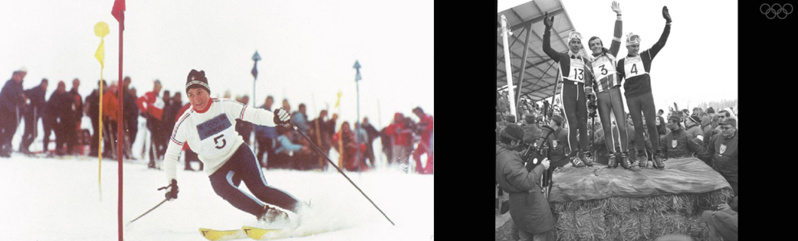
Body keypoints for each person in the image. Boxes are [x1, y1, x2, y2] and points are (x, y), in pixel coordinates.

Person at [161, 69, 306, 226]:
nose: (196, 99)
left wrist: (275, 118)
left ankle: (304, 210)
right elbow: (170, 155)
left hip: (238, 153)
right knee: (222, 189)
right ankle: (268, 214)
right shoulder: (185, 123)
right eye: (191, 94)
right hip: (216, 167)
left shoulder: (224, 105)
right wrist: (172, 182)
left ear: (207, 91)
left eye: (199, 92)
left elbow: (254, 114)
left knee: (260, 189)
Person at [616, 6, 671, 169]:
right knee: (638, 126)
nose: (636, 48)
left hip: (646, 94)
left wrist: (668, 23)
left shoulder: (646, 55)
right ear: (627, 46)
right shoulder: (621, 62)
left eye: (637, 46)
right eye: (633, 46)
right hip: (631, 97)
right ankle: (641, 154)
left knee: (651, 124)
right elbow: (616, 81)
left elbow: (661, 43)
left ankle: (656, 154)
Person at [543, 11, 594, 167]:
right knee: (572, 124)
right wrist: (548, 30)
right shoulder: (563, 57)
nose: (576, 45)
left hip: (581, 91)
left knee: (583, 124)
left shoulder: (585, 60)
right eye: (573, 42)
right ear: (569, 43)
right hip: (568, 90)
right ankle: (573, 155)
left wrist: (591, 95)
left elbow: (590, 78)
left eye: (578, 43)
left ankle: (584, 153)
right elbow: (546, 48)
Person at [586, 1, 631, 169]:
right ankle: (612, 154)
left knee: (621, 125)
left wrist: (618, 16)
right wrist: (590, 97)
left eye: (598, 43)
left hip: (614, 91)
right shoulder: (589, 63)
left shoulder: (611, 53)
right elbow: (588, 83)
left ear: (601, 44)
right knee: (606, 127)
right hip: (601, 95)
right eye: (593, 45)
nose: (596, 46)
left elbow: (617, 37)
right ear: (590, 48)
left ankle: (624, 154)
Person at [496, 124, 555, 241]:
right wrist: (542, 167)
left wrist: (524, 154)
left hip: (519, 203)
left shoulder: (501, 150)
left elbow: (513, 158)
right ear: (512, 142)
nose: (520, 144)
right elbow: (527, 182)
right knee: (540, 233)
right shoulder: (509, 161)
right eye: (519, 142)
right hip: (528, 202)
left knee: (525, 233)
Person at [698, 118, 738, 195]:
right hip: (718, 175)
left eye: (726, 128)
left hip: (733, 178)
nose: (723, 130)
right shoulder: (716, 137)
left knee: (731, 199)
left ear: (734, 128)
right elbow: (709, 153)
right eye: (722, 128)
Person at [137, 80, 165, 168]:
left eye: (159, 87)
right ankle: (152, 160)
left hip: (159, 121)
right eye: (156, 87)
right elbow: (139, 100)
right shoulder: (150, 94)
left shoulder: (160, 98)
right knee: (154, 139)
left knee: (157, 140)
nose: (158, 89)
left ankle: (154, 159)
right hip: (152, 119)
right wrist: (145, 111)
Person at [0, 69, 27, 157]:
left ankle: (6, 146)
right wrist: (11, 106)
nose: (17, 77)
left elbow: (20, 98)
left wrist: (21, 103)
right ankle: (3, 148)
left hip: (14, 113)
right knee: (4, 130)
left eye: (18, 76)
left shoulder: (19, 86)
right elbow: (3, 97)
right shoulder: (9, 84)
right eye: (15, 76)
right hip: (5, 112)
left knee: (11, 130)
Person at [19, 78, 48, 154]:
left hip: (35, 115)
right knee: (30, 132)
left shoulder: (43, 92)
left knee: (32, 132)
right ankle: (24, 146)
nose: (44, 85)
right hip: (30, 113)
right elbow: (25, 92)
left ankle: (23, 146)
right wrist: (26, 102)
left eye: (46, 84)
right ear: (41, 83)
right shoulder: (37, 89)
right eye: (43, 83)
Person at [50, 81, 75, 156]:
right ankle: (59, 148)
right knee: (59, 134)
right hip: (58, 118)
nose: (61, 88)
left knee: (69, 133)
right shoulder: (54, 95)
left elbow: (73, 104)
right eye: (60, 87)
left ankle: (69, 149)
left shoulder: (68, 95)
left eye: (62, 87)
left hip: (67, 118)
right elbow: (52, 107)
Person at [85, 80, 109, 157]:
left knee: (103, 133)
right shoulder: (95, 93)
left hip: (104, 116)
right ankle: (94, 149)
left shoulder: (106, 93)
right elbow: (89, 101)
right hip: (95, 116)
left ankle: (104, 150)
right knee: (97, 132)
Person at [254, 96, 277, 167]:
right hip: (261, 134)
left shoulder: (271, 111)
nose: (269, 103)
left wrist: (274, 135)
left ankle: (269, 165)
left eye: (271, 102)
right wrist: (259, 132)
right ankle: (257, 165)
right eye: (268, 101)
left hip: (269, 135)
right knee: (261, 150)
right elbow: (257, 121)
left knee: (270, 150)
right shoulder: (261, 110)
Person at [411, 107, 434, 174]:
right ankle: (420, 171)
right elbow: (418, 132)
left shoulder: (428, 117)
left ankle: (429, 171)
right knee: (416, 153)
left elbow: (431, 125)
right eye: (416, 113)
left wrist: (424, 127)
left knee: (430, 156)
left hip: (430, 141)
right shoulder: (420, 121)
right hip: (423, 141)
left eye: (418, 112)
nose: (417, 114)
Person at [69, 78, 83, 154]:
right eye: (75, 83)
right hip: (71, 118)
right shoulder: (69, 94)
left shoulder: (79, 96)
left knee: (76, 133)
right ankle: (71, 148)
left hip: (77, 118)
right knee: (71, 133)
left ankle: (75, 149)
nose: (76, 85)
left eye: (77, 84)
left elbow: (80, 107)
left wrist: (80, 116)